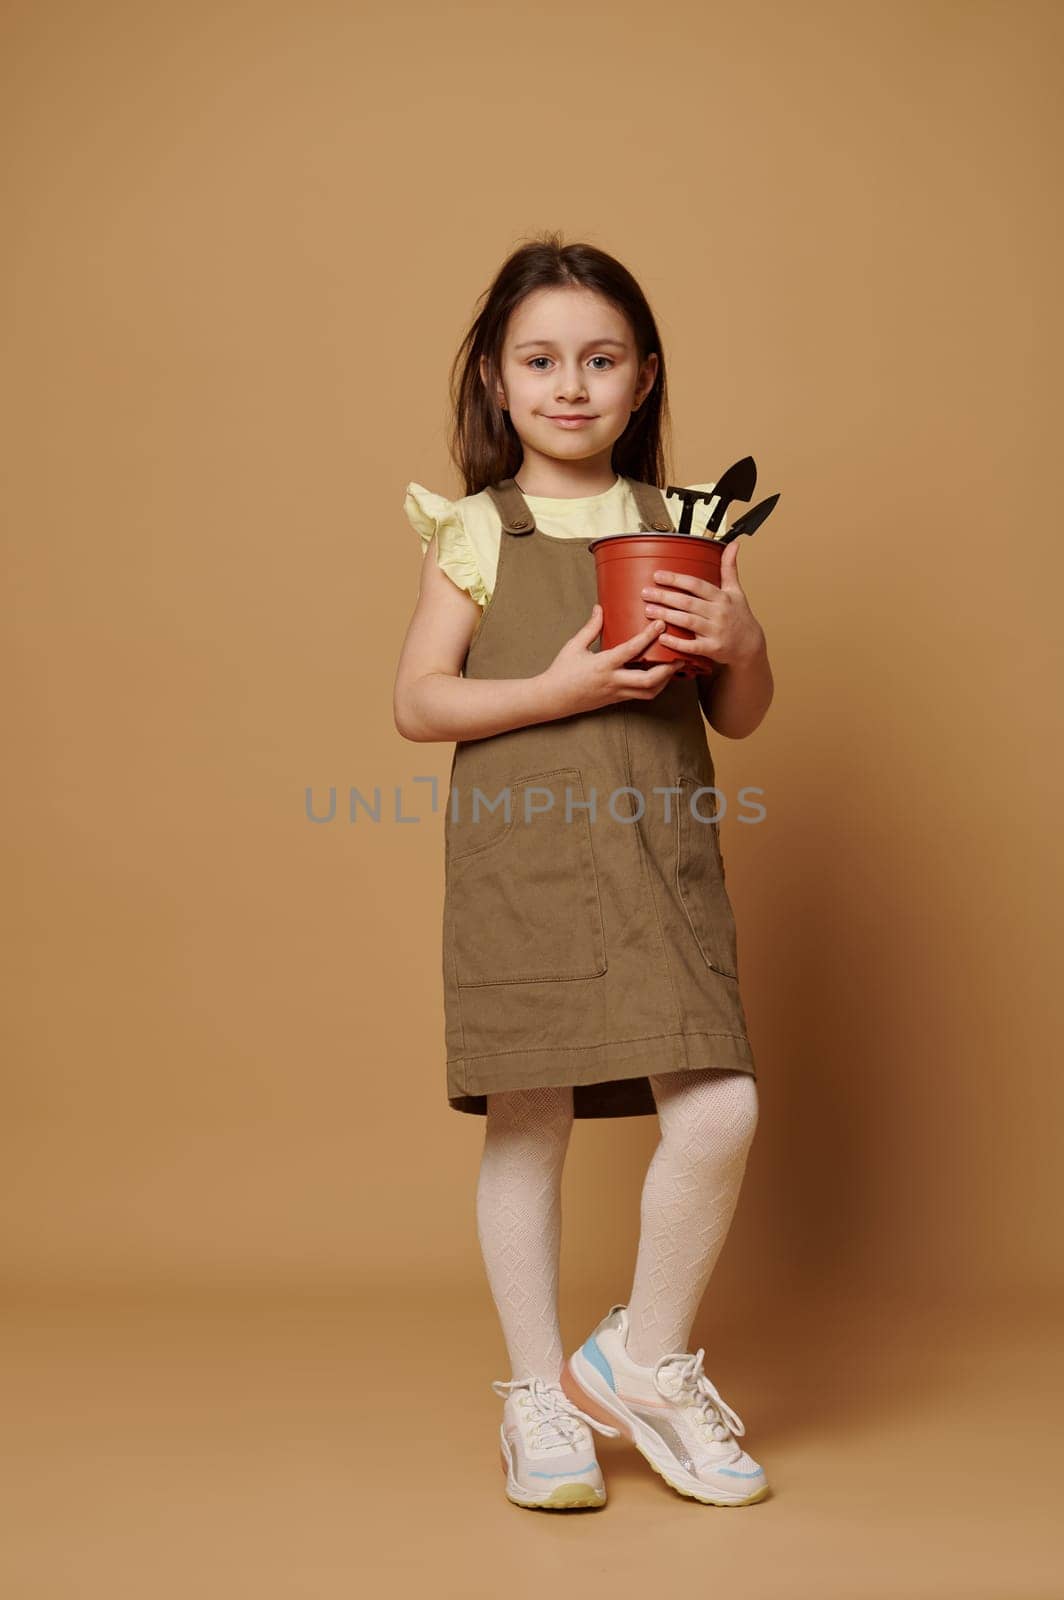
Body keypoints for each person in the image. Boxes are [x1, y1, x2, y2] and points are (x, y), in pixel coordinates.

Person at [392, 233, 775, 1513]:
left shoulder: (687, 526)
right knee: (527, 1116)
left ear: (643, 378)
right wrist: (553, 687)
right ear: (497, 383)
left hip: (656, 859)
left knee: (715, 1105)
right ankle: (535, 1399)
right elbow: (416, 701)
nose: (570, 384)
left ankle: (643, 1358)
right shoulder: (474, 529)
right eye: (540, 360)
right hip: (523, 865)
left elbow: (741, 718)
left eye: (599, 359)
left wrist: (741, 634)